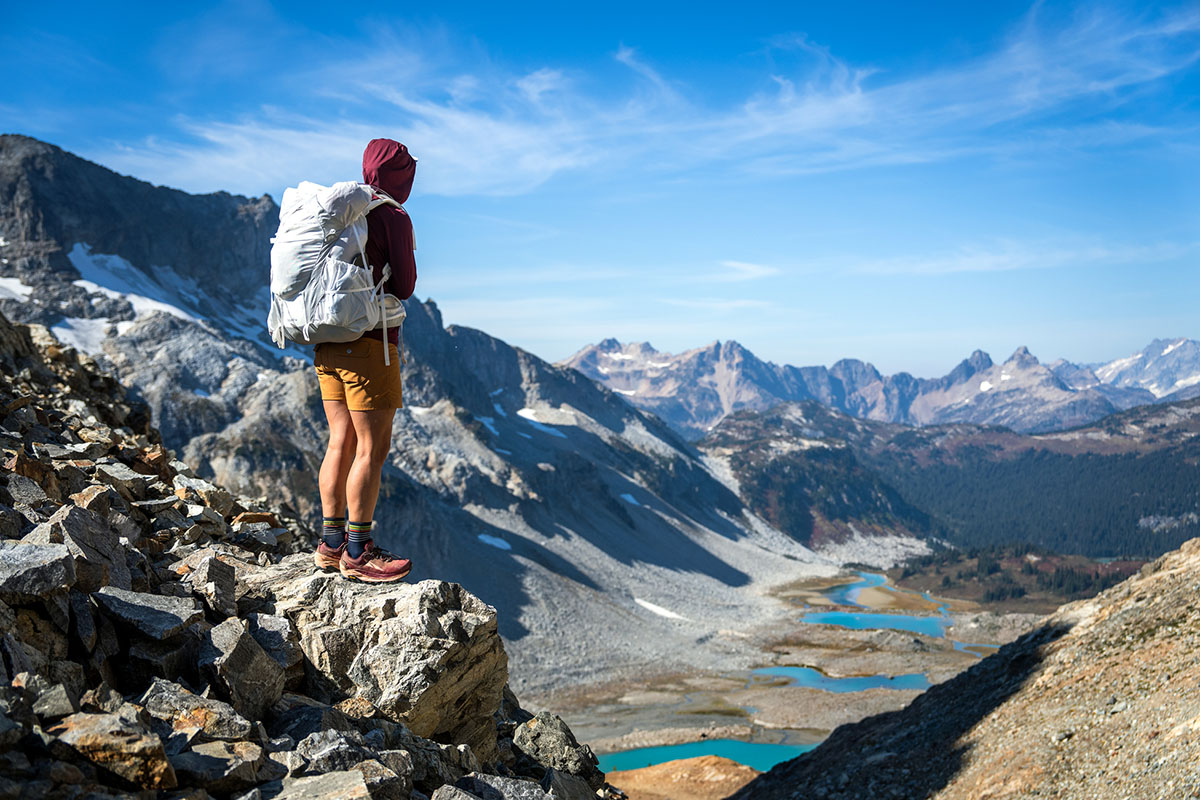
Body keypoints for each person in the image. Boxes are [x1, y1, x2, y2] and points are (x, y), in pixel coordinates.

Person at [311, 138, 418, 582]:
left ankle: (330, 544)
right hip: (370, 342)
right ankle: (359, 549)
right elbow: (406, 284)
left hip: (326, 341)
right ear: (402, 176)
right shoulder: (390, 214)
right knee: (371, 449)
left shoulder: (340, 209)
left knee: (340, 441)